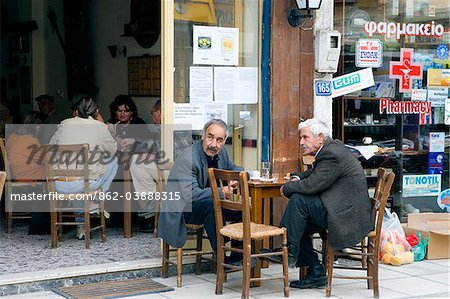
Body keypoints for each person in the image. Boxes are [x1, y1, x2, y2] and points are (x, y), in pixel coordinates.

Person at [263, 118, 372, 289]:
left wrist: (289, 187)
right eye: (301, 138)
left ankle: (289, 251)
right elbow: (315, 173)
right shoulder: (330, 148)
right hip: (341, 208)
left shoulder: (332, 154)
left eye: (305, 137)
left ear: (320, 137)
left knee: (299, 201)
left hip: (346, 216)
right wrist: (298, 176)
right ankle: (315, 271)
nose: (301, 142)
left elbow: (312, 185)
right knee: (299, 220)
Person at [158, 119, 252, 266]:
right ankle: (222, 261)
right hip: (182, 210)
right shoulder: (188, 157)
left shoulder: (221, 153)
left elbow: (234, 167)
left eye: (219, 140)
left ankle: (237, 255)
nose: (214, 144)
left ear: (224, 141)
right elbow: (191, 195)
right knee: (212, 206)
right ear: (203, 136)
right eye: (210, 137)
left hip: (205, 205)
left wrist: (239, 177)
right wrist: (222, 191)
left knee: (242, 208)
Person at [50, 96, 118, 239]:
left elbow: (50, 147)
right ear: (96, 111)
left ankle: (81, 227)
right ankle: (97, 199)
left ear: (76, 110)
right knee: (112, 161)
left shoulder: (64, 124)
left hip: (59, 184)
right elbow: (112, 150)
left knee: (76, 173)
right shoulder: (99, 127)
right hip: (84, 184)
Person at [107, 95, 159, 232]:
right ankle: (114, 216)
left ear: (132, 112)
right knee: (112, 172)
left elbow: (148, 146)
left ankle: (142, 217)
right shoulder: (111, 124)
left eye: (126, 111)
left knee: (131, 170)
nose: (122, 114)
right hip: (117, 161)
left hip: (135, 163)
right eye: (119, 111)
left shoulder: (139, 123)